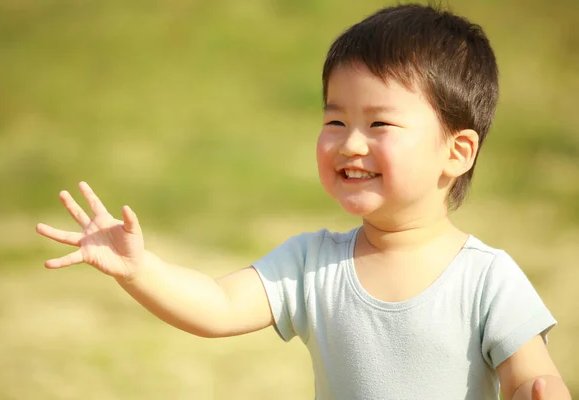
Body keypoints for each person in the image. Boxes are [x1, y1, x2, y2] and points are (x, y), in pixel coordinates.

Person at [36, 3, 571, 399]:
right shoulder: (314, 264)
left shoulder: (486, 279)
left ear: (456, 152)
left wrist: (538, 390)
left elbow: (531, 375)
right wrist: (138, 270)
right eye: (334, 120)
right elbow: (217, 307)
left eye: (379, 123)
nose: (349, 142)